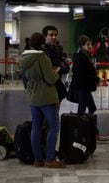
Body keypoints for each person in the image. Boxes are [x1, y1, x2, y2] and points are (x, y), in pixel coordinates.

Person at [20, 32, 65, 168]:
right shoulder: (42, 57)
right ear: (42, 44)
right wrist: (56, 72)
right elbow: (50, 78)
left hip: (33, 96)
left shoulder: (24, 57)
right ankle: (50, 160)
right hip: (46, 96)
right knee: (54, 127)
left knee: (36, 127)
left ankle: (38, 159)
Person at [70, 35, 99, 114]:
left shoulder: (85, 56)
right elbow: (81, 74)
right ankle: (80, 125)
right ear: (82, 45)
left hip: (85, 87)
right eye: (88, 44)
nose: (90, 46)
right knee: (82, 110)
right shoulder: (81, 57)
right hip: (82, 87)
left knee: (92, 109)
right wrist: (96, 78)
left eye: (91, 44)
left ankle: (89, 125)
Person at [42, 25, 70, 102]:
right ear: (45, 36)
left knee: (57, 107)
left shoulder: (59, 48)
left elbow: (63, 66)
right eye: (51, 35)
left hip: (58, 82)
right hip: (46, 85)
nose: (54, 37)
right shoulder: (41, 51)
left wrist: (59, 67)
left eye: (55, 35)